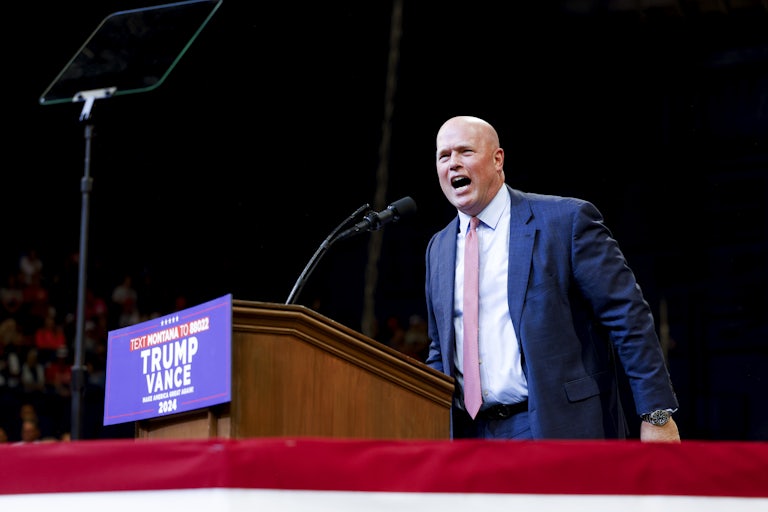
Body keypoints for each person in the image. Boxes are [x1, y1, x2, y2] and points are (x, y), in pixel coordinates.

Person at [424, 115, 680, 442]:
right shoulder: (439, 248)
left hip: (553, 428)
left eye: (465, 152)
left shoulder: (566, 222)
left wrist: (656, 414)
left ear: (497, 159)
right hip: (470, 435)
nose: (454, 164)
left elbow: (628, 318)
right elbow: (440, 352)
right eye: (444, 156)